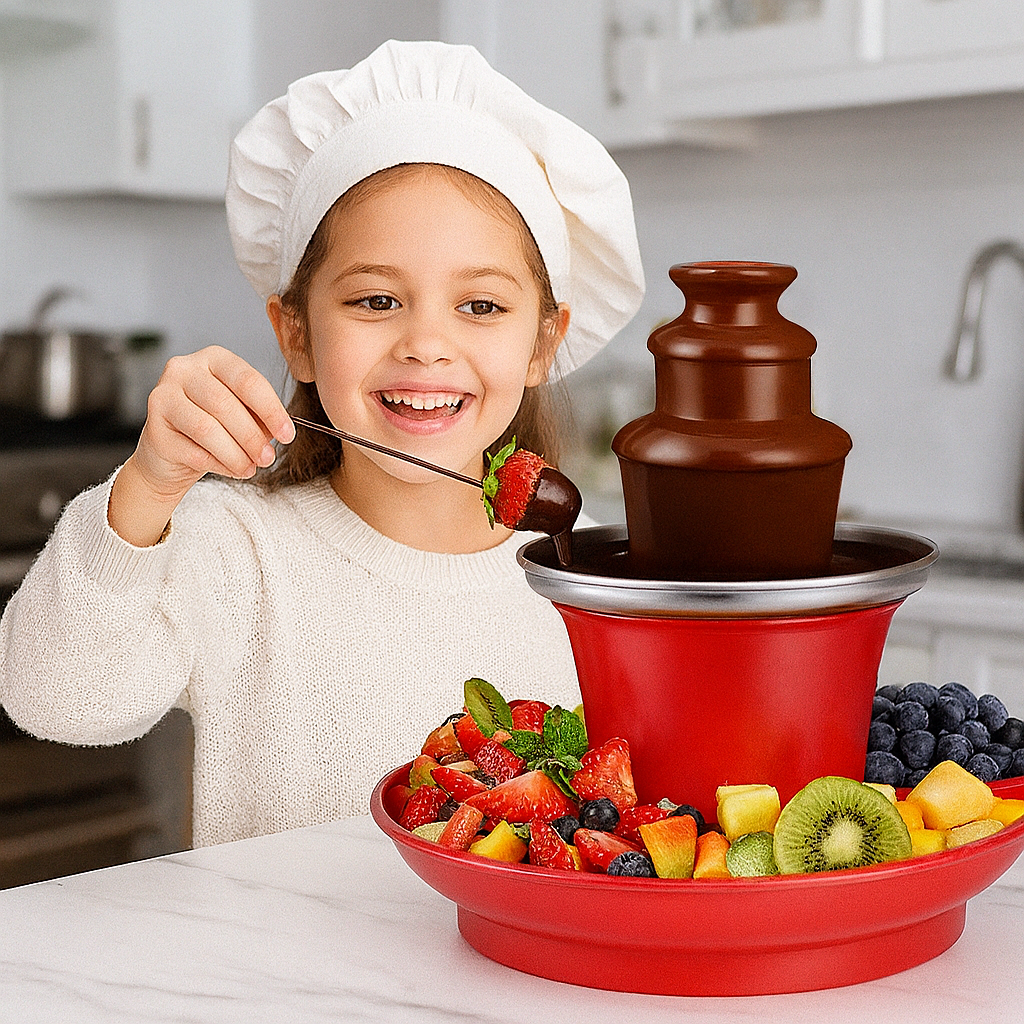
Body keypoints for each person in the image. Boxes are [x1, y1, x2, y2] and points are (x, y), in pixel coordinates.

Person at [0, 40, 645, 847]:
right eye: (377, 300)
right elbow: (57, 696)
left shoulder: (601, 591)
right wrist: (149, 486)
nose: (426, 345)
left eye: (480, 307)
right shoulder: (237, 550)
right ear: (296, 335)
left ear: (542, 345)